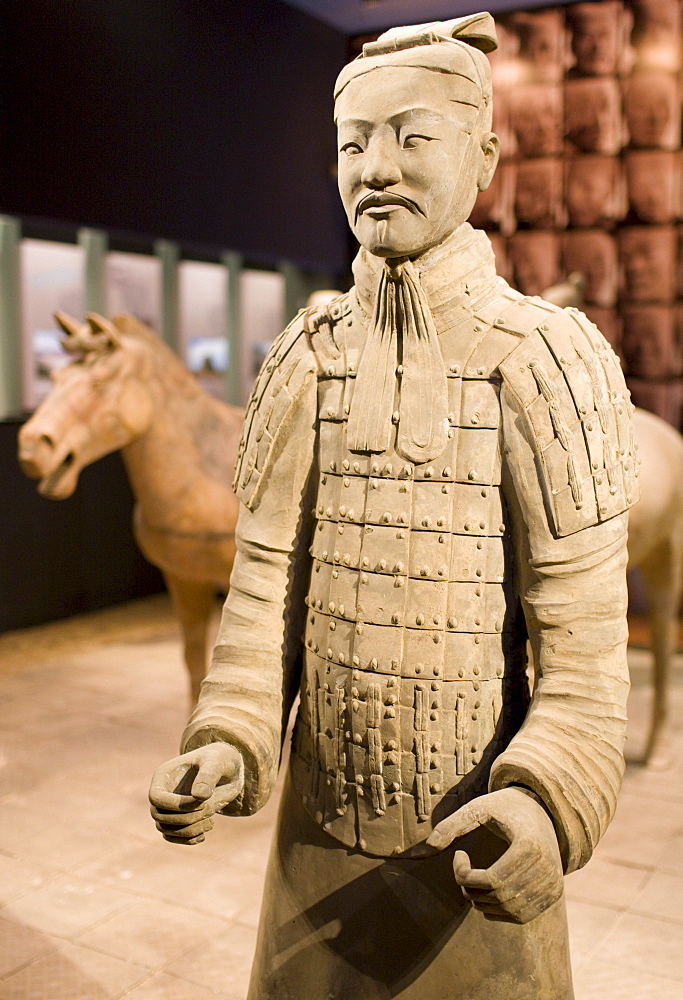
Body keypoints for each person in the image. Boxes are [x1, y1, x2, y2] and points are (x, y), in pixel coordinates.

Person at [150, 13, 638, 999]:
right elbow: (260, 608)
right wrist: (227, 737)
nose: (376, 167)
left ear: (484, 159)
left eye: (411, 137)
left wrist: (542, 808)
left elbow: (584, 672)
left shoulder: (541, 364)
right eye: (352, 142)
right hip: (311, 849)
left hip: (470, 852)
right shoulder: (306, 356)